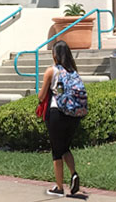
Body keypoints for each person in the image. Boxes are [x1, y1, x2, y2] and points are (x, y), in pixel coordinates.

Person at [39, 40, 87, 197]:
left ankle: (59, 188)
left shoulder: (51, 71)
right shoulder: (73, 71)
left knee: (56, 151)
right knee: (65, 147)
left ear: (55, 54)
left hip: (57, 113)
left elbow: (41, 96)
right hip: (74, 114)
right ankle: (73, 174)